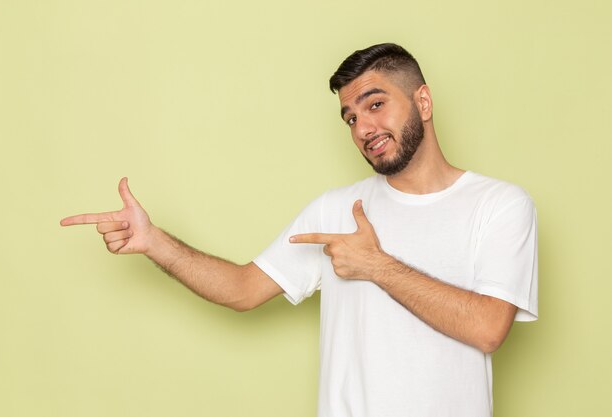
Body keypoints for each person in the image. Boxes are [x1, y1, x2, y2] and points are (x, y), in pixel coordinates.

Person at [61, 43, 538, 417]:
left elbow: (487, 328)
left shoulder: (499, 205)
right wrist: (155, 243)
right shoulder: (336, 209)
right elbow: (243, 288)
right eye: (350, 118)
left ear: (424, 101)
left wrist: (376, 266)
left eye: (375, 105)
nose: (362, 128)